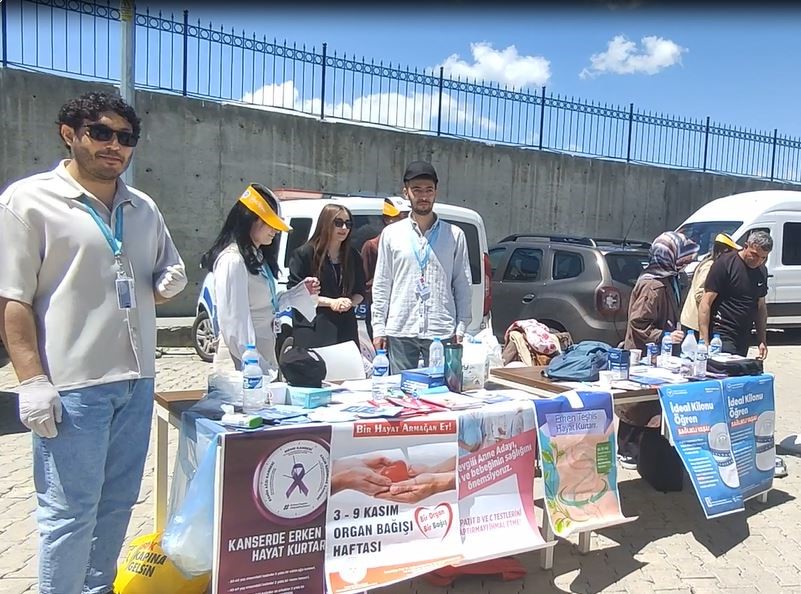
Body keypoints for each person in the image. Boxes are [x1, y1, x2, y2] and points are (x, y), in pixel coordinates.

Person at [0, 91, 187, 594]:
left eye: (126, 137)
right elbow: (12, 300)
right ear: (69, 134)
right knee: (69, 513)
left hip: (137, 381)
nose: (114, 146)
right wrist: (31, 381)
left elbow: (165, 270)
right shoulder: (28, 201)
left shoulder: (143, 207)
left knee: (117, 504)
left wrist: (168, 282)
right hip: (73, 386)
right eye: (101, 133)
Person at [200, 184, 320, 374]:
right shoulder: (233, 261)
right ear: (250, 219)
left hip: (261, 359)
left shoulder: (258, 258)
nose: (275, 231)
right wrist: (256, 367)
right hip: (243, 365)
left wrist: (297, 293)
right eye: (270, 223)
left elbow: (266, 306)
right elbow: (234, 324)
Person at [371, 161, 472, 373]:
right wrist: (378, 327)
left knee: (441, 389)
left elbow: (463, 284)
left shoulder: (454, 235)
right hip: (401, 329)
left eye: (428, 190)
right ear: (406, 192)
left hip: (441, 329)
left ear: (436, 192)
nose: (423, 196)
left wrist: (462, 325)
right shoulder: (392, 234)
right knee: (401, 388)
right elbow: (382, 283)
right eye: (416, 190)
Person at [618, 231, 699, 469]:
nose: (686, 262)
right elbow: (638, 322)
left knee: (651, 404)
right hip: (643, 353)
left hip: (658, 355)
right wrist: (664, 335)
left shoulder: (668, 279)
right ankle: (628, 450)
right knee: (637, 404)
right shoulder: (652, 284)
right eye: (682, 257)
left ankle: (644, 452)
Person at [287, 204, 366, 349]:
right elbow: (295, 293)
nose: (344, 228)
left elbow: (360, 290)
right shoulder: (304, 254)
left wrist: (349, 302)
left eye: (348, 224)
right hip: (314, 327)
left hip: (345, 328)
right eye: (338, 223)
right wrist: (331, 303)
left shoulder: (353, 255)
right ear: (326, 223)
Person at [699, 229, 772, 358]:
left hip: (744, 335)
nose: (758, 261)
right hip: (721, 333)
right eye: (754, 255)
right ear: (746, 246)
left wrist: (762, 340)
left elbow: (761, 307)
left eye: (763, 258)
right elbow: (706, 302)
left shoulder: (761, 271)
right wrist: (703, 340)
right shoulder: (725, 264)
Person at [360, 197, 410, 340]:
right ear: (387, 219)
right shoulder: (372, 246)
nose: (405, 221)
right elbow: (366, 282)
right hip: (381, 310)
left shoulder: (413, 246)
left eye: (407, 216)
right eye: (401, 217)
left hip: (406, 312)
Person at [680, 233, 741, 334]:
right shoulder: (709, 266)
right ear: (725, 251)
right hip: (694, 322)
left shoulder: (714, 264)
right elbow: (699, 294)